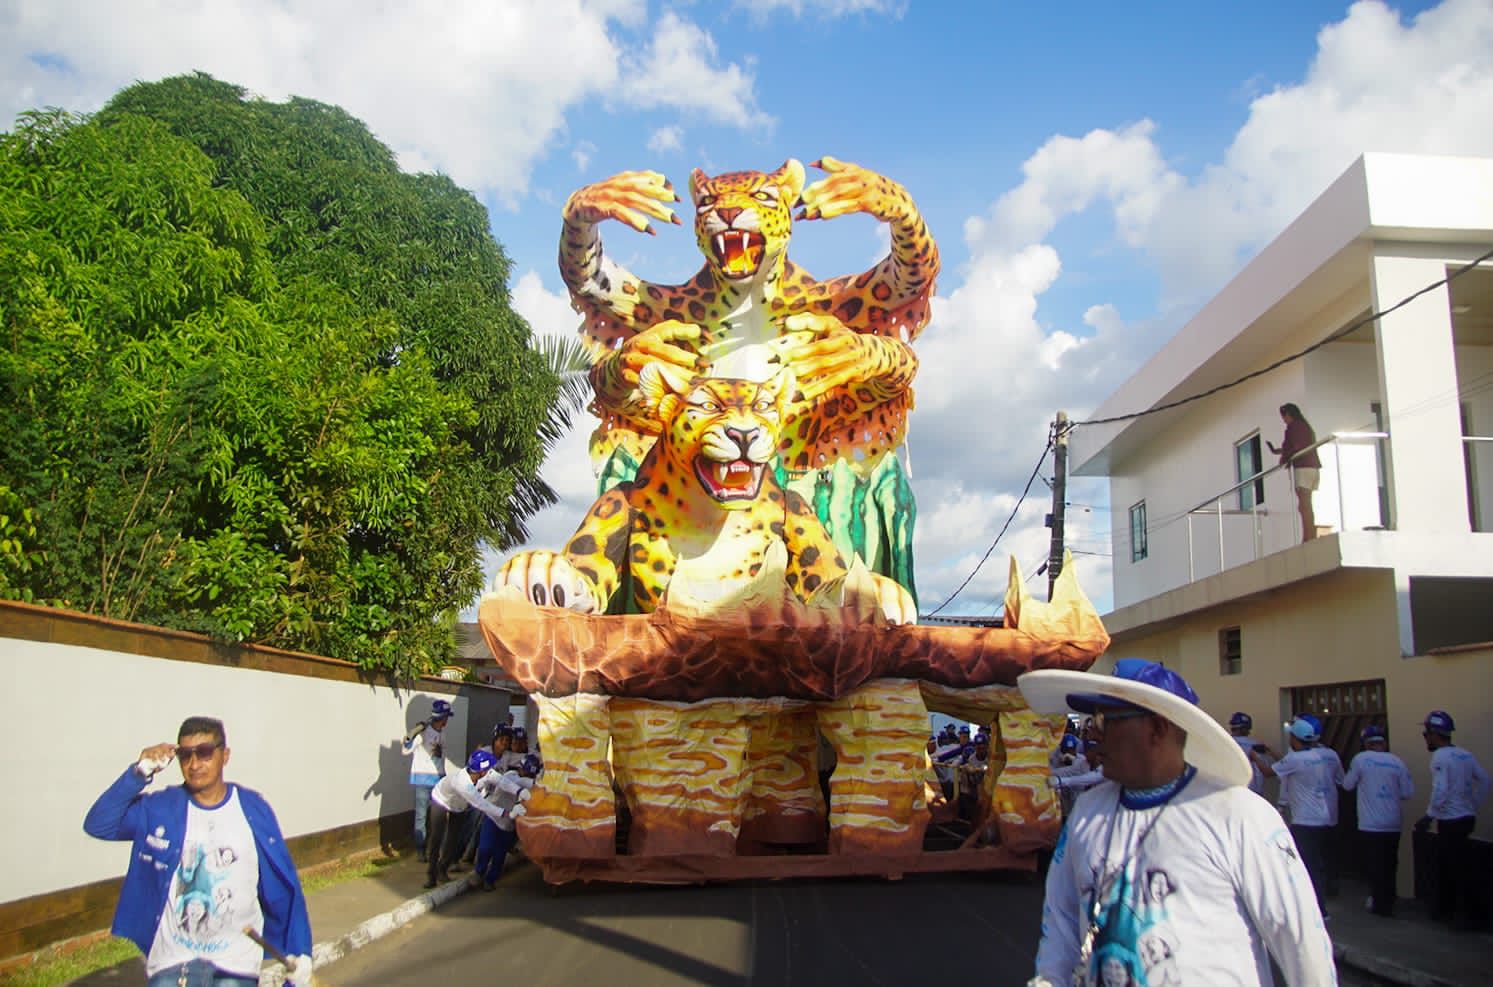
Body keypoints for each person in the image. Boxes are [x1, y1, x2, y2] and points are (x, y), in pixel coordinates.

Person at [1020, 659, 1334, 986]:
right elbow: (1061, 925)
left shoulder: (1239, 815)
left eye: (1105, 720)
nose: (1093, 735)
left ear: (1158, 729)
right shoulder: (1087, 812)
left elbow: (1300, 941)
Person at [83, 716, 313, 986]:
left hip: (235, 966)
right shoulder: (160, 808)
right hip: (173, 963)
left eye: (204, 753)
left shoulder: (253, 809)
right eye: (185, 755)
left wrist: (301, 952)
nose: (194, 764)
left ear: (224, 755)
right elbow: (100, 824)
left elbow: (283, 886)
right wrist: (139, 772)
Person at [1250, 715, 1344, 915]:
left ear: (1295, 738)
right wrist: (1271, 752)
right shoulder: (1324, 756)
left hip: (1304, 821)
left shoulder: (1295, 759)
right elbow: (1286, 764)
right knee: (1322, 862)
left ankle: (1317, 909)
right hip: (1325, 819)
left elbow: (1268, 773)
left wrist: (1255, 757)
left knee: (1308, 866)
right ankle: (1324, 898)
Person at [1415, 710, 1490, 928]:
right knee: (1462, 866)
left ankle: (1453, 913)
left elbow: (1441, 789)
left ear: (1435, 734)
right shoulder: (1465, 755)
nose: (1425, 738)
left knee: (1449, 868)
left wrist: (1429, 815)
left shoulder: (1440, 757)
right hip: (1466, 817)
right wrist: (1472, 805)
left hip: (1450, 820)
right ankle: (1465, 913)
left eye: (1426, 733)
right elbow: (1484, 780)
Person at [1342, 724, 1414, 917]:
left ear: (1366, 743)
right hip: (1393, 822)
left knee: (1374, 865)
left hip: (1370, 823)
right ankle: (1389, 902)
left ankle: (1377, 903)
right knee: (1391, 864)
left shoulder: (1361, 759)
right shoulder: (1397, 762)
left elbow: (1347, 785)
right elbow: (1407, 793)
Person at [424, 749, 518, 889]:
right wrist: (505, 813)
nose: (490, 771)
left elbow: (500, 780)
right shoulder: (463, 783)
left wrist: (519, 791)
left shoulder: (482, 773)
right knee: (436, 837)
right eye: (488, 768)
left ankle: (442, 869)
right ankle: (431, 874)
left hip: (459, 805)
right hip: (441, 800)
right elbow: (482, 804)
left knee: (453, 838)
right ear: (481, 771)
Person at [474, 754, 538, 890]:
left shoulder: (532, 787)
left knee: (499, 855)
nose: (525, 774)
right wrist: (525, 788)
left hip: (508, 824)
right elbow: (515, 783)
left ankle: (490, 880)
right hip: (493, 817)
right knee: (485, 848)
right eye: (524, 770)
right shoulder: (510, 776)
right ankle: (479, 873)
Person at [402, 698, 452, 862]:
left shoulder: (443, 735)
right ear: (442, 717)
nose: (446, 721)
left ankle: (438, 850)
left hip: (438, 780)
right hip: (422, 779)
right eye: (446, 717)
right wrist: (412, 735)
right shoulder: (422, 733)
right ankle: (420, 850)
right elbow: (405, 750)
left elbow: (441, 758)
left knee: (438, 818)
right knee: (421, 817)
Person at [1266, 402, 1322, 543]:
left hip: (1303, 467)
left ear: (1290, 415)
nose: (1284, 420)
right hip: (1313, 467)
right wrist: (1278, 451)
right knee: (1305, 504)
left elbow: (1296, 446)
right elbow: (1298, 445)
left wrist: (1284, 458)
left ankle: (1308, 536)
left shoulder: (1294, 427)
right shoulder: (1305, 427)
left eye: (1284, 416)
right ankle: (1309, 534)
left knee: (1304, 505)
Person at [1228, 712, 1275, 797]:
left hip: (1231, 792)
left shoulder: (1226, 743)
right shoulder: (1256, 746)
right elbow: (1262, 772)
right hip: (1253, 792)